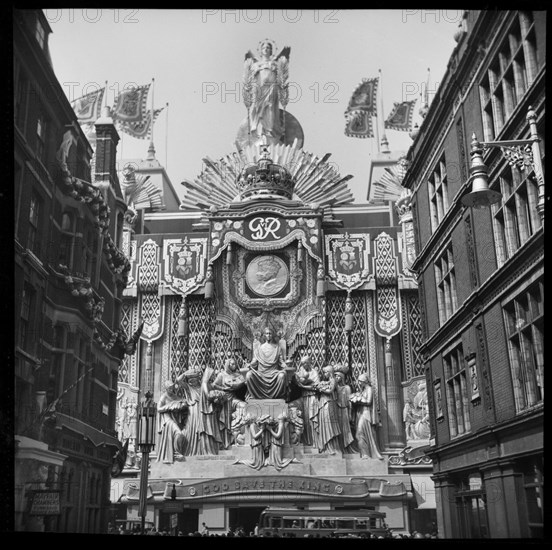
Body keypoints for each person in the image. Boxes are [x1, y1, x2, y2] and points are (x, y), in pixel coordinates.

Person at [243, 40, 290, 145]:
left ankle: (269, 132)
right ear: (260, 51)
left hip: (271, 89)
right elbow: (251, 78)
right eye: (264, 47)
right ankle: (260, 132)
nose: (266, 49)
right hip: (259, 90)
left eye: (268, 47)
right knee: (257, 110)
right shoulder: (256, 65)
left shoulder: (274, 64)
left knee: (270, 109)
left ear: (271, 51)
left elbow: (280, 76)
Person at [243, 327, 288, 399]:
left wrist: (285, 366)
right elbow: (254, 361)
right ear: (264, 335)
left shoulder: (277, 348)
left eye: (270, 333)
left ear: (272, 335)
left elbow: (281, 361)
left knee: (282, 376)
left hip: (273, 374)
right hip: (260, 374)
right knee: (249, 375)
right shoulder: (259, 348)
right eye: (267, 333)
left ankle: (277, 397)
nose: (269, 335)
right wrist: (249, 364)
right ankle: (256, 396)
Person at [210, 357, 246, 448]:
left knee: (244, 406)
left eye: (234, 364)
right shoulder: (222, 375)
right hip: (224, 399)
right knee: (225, 419)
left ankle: (239, 429)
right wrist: (223, 389)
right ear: (228, 365)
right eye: (232, 364)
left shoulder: (238, 374)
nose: (233, 366)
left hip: (233, 398)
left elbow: (243, 383)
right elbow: (213, 385)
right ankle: (226, 441)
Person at [350, 373, 383, 459]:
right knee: (359, 434)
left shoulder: (369, 389)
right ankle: (365, 454)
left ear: (364, 381)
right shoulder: (364, 390)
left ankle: (366, 454)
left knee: (359, 433)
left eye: (360, 381)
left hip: (366, 414)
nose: (359, 383)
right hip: (361, 413)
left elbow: (368, 401)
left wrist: (358, 400)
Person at [313, 365, 343, 454]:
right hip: (323, 402)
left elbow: (330, 391)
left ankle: (332, 447)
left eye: (326, 372)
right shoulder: (327, 381)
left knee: (329, 423)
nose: (324, 374)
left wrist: (320, 388)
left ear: (329, 372)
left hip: (329, 403)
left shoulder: (333, 380)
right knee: (324, 423)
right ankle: (325, 446)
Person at [156, 378, 187, 463]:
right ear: (166, 389)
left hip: (175, 418)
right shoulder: (164, 396)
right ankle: (176, 453)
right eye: (169, 388)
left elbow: (181, 401)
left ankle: (177, 452)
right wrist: (169, 406)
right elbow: (159, 409)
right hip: (167, 419)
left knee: (183, 433)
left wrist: (183, 404)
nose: (171, 390)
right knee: (179, 433)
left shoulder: (174, 396)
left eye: (172, 388)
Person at [291, 354, 320, 447]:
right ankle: (305, 440)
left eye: (305, 363)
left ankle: (314, 442)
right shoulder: (301, 371)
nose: (304, 365)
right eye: (302, 364)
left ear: (309, 363)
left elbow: (316, 387)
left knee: (311, 419)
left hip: (312, 397)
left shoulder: (314, 373)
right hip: (303, 397)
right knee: (304, 418)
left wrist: (304, 386)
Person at [333, 364, 356, 453]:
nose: (336, 378)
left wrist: (350, 414)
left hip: (344, 410)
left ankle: (346, 448)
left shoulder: (347, 388)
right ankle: (338, 448)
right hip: (335, 410)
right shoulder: (334, 388)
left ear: (342, 377)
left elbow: (349, 402)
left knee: (345, 429)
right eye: (335, 376)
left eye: (338, 376)